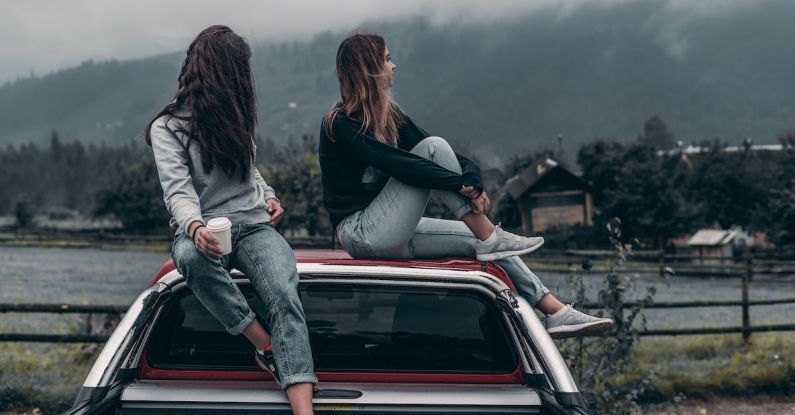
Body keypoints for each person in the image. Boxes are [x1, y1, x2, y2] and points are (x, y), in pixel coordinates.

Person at [319, 33, 612, 338]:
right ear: (371, 68)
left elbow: (450, 158)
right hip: (361, 233)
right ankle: (489, 235)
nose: (394, 66)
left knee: (483, 245)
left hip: (392, 230)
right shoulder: (339, 124)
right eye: (388, 59)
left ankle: (556, 311)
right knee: (433, 148)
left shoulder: (390, 116)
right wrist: (459, 185)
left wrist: (472, 180)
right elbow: (401, 164)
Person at [145, 26, 315, 414]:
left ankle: (303, 410)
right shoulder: (167, 127)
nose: (245, 78)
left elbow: (250, 171)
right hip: (204, 230)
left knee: (285, 295)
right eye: (239, 69)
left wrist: (270, 195)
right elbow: (177, 190)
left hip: (255, 226)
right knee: (187, 257)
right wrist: (195, 227)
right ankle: (266, 346)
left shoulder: (236, 116)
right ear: (222, 72)